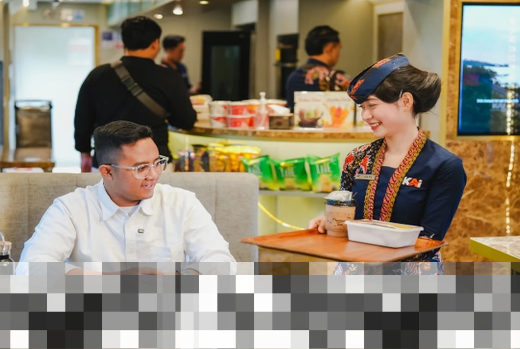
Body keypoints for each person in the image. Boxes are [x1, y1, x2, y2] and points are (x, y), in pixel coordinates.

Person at [308, 54, 467, 275]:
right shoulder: (357, 158)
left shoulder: (445, 166)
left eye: (372, 105)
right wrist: (330, 223)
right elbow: (345, 215)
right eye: (362, 107)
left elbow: (428, 241)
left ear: (406, 102)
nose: (365, 115)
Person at [18, 120, 237, 275]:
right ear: (107, 172)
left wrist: (179, 279)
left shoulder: (182, 203)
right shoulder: (71, 209)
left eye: (157, 163)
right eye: (140, 168)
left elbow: (223, 263)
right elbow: (30, 268)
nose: (153, 175)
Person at [74, 16, 197, 172]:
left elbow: (82, 119)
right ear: (155, 43)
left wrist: (85, 154)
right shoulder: (169, 77)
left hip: (108, 163)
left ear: (124, 43)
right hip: (154, 164)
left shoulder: (97, 75)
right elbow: (186, 121)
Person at [285, 25, 342, 110]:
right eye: (339, 48)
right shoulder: (337, 79)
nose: (339, 53)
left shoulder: (293, 78)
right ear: (329, 48)